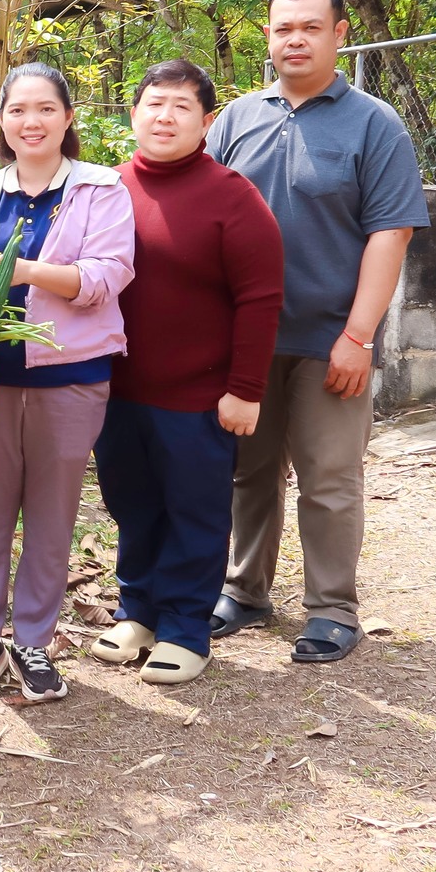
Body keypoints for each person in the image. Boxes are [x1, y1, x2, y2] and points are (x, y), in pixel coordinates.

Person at [207, 0, 430, 663]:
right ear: (267, 37)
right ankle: (246, 589)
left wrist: (358, 335)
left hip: (332, 337)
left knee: (330, 477)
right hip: (246, 340)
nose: (294, 39)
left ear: (340, 34)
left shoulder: (374, 123)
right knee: (249, 470)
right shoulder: (236, 119)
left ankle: (333, 606)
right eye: (282, 28)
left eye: (309, 26)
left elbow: (391, 234)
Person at [0, 62, 134, 705]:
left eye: (46, 109)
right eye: (17, 110)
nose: (31, 122)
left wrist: (27, 271)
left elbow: (107, 275)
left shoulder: (102, 190)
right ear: (2, 120)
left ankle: (35, 642)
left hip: (70, 378)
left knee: (52, 515)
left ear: (68, 117)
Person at [89, 60, 284, 685]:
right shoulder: (106, 188)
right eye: (154, 103)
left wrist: (245, 390)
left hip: (199, 397)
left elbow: (260, 298)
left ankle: (185, 627)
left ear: (206, 121)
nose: (165, 116)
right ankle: (137, 611)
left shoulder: (232, 195)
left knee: (194, 510)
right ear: (134, 113)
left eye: (181, 106)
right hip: (118, 390)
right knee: (132, 504)